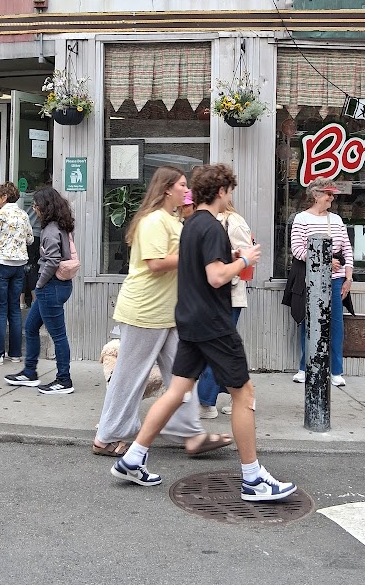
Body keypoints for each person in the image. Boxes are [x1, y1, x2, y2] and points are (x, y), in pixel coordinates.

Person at [111, 164, 296, 503]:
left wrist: (232, 256)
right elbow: (215, 277)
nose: (230, 197)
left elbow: (200, 264)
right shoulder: (212, 226)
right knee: (244, 394)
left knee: (177, 390)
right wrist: (246, 259)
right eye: (230, 191)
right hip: (213, 323)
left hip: (188, 320)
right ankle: (253, 479)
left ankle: (134, 457)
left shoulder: (191, 223)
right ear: (222, 191)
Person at [93, 166, 231, 457]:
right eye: (182, 185)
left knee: (182, 373)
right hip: (145, 312)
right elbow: (155, 263)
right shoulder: (155, 220)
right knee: (131, 376)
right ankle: (107, 436)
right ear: (168, 189)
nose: (187, 189)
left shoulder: (172, 220)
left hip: (167, 314)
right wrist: (194, 255)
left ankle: (189, 433)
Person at [4, 187, 76, 394]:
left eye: (36, 205)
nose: (34, 209)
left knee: (58, 335)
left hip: (50, 287)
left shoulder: (51, 230)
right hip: (57, 286)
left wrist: (39, 283)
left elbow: (52, 260)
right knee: (31, 326)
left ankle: (64, 380)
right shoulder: (61, 226)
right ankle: (29, 372)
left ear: (46, 207)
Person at [289, 176, 354, 387]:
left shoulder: (336, 220)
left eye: (332, 195)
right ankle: (304, 367)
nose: (331, 198)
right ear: (316, 195)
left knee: (335, 324)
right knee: (308, 322)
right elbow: (297, 249)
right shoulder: (301, 219)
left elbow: (346, 248)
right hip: (311, 279)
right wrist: (325, 261)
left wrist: (349, 276)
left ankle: (336, 370)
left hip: (335, 279)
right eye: (328, 194)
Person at [199, 199, 252, 419]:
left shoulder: (234, 221)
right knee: (223, 348)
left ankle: (206, 401)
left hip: (227, 295)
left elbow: (246, 258)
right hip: (210, 294)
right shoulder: (206, 220)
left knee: (217, 347)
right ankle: (239, 394)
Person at [0, 181, 33, 365]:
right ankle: (15, 353)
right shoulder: (23, 214)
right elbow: (30, 239)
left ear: (4, 197)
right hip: (19, 264)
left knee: (0, 309)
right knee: (14, 309)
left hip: (1, 263)